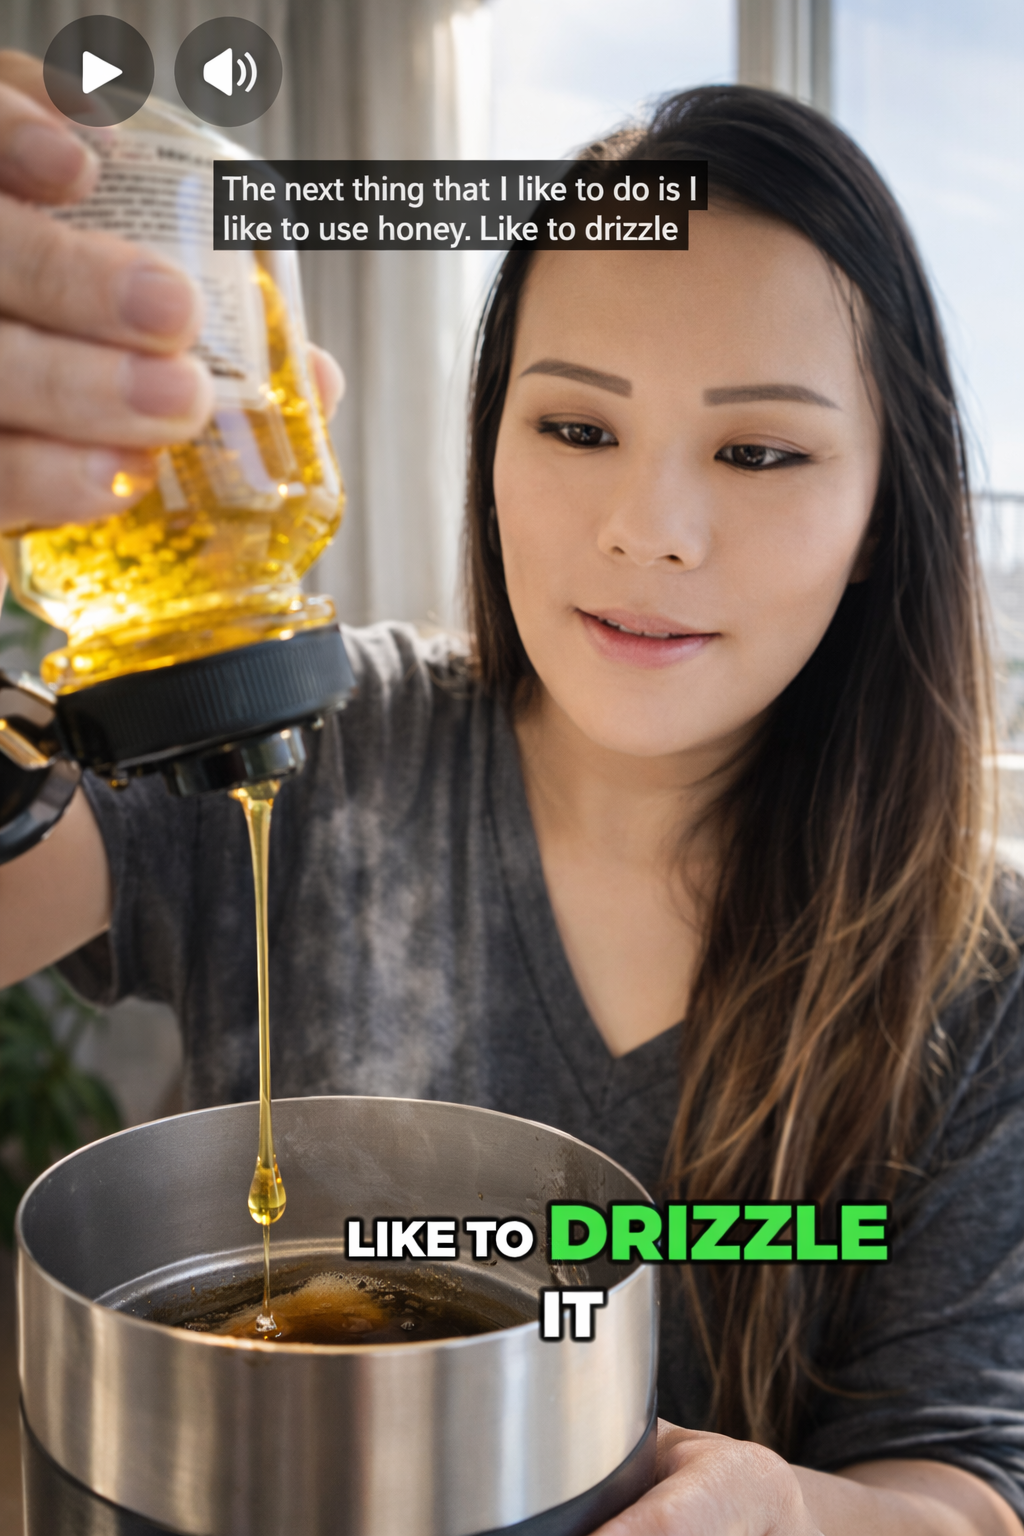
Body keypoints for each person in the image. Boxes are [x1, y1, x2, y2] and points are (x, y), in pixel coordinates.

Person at [1, 49, 1023, 1536]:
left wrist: (789, 1514)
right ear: (490, 447)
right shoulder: (319, 746)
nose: (649, 529)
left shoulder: (979, 975)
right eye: (577, 426)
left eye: (758, 450)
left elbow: (969, 1482)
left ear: (881, 511)